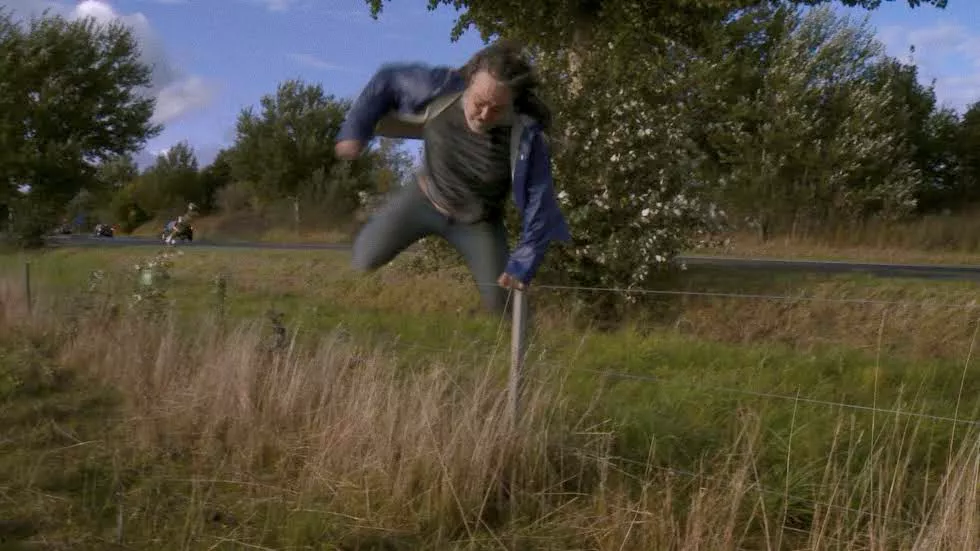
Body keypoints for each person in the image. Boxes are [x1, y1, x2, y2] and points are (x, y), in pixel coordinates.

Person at [334, 40, 571, 314]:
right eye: (479, 103)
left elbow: (540, 203)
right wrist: (354, 131)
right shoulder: (438, 87)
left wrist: (523, 263)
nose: (484, 115)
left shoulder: (527, 133)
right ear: (468, 81)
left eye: (497, 109)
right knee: (363, 259)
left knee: (503, 303)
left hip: (477, 221)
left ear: (512, 102)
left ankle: (525, 354)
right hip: (423, 198)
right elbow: (386, 81)